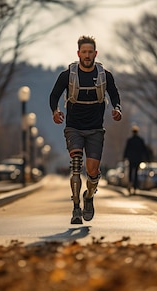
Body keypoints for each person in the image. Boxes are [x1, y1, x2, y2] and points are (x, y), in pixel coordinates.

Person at [49, 35, 123, 224]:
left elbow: (114, 95)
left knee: (92, 170)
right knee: (75, 164)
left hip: (95, 129)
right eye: (84, 52)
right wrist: (55, 111)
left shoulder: (104, 75)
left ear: (95, 53)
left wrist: (117, 109)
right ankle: (75, 209)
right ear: (78, 53)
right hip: (73, 127)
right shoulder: (68, 75)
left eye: (90, 52)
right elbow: (54, 95)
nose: (87, 55)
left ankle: (88, 196)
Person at [123, 125, 150, 195]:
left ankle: (130, 184)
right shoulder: (140, 140)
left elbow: (126, 149)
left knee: (130, 172)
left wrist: (124, 157)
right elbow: (144, 150)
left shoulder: (130, 140)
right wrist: (147, 158)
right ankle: (134, 187)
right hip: (138, 159)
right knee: (136, 174)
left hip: (131, 158)